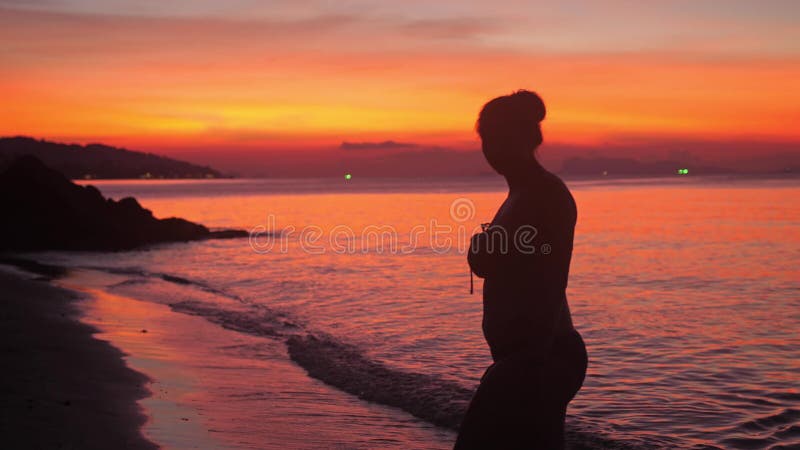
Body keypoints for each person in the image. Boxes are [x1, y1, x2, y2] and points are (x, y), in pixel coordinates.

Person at [454, 90, 588, 449]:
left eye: (499, 137)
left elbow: (551, 276)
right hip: (526, 357)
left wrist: (533, 362)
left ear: (526, 138)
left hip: (540, 356)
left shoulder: (545, 194)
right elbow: (505, 263)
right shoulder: (519, 196)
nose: (491, 147)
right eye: (486, 138)